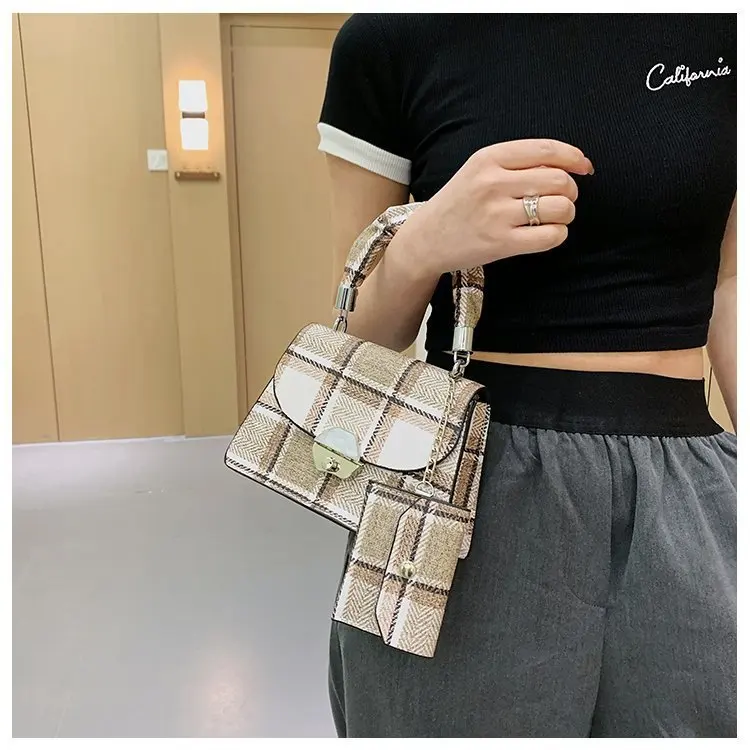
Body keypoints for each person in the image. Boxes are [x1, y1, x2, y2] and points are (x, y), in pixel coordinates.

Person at [316, 13, 736, 738]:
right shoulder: (393, 37)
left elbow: (730, 285)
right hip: (461, 481)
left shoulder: (725, 33)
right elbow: (361, 334)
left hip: (686, 484)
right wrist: (424, 243)